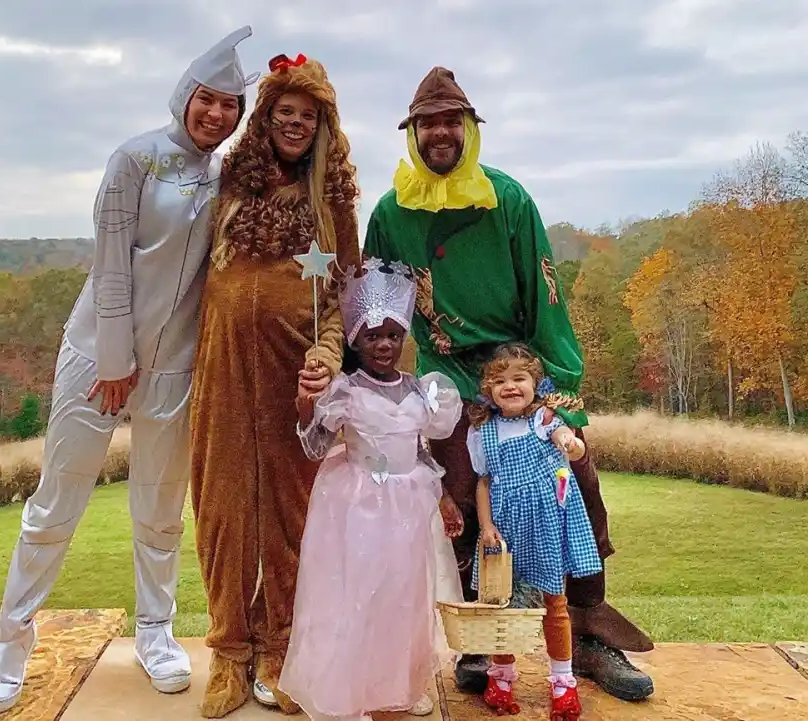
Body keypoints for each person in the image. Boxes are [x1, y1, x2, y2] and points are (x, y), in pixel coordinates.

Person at [0, 27, 258, 716]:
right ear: (184, 97)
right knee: (54, 506)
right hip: (98, 360)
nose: (216, 115)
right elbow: (111, 262)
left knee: (159, 510)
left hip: (175, 369)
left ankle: (155, 634)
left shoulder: (229, 177)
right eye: (207, 100)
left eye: (230, 106)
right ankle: (9, 645)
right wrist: (113, 361)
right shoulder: (134, 159)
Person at [362, 66, 656, 702]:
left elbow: (545, 295)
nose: (440, 132)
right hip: (447, 370)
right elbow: (377, 303)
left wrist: (554, 387)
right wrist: (363, 381)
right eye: (427, 123)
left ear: (470, 130)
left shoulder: (509, 199)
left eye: (452, 121)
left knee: (573, 478)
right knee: (460, 494)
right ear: (411, 134)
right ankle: (481, 638)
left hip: (517, 362)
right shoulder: (389, 212)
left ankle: (586, 633)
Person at [189, 54, 361, 719]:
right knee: (222, 509)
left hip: (296, 373)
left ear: (322, 126)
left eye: (307, 116)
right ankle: (230, 651)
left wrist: (326, 355)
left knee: (294, 515)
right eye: (285, 112)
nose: (294, 124)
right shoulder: (228, 180)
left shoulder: (333, 198)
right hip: (221, 367)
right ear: (266, 117)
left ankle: (281, 649)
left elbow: (342, 294)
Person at [278, 258, 463, 721]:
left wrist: (443, 496)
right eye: (372, 335)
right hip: (357, 505)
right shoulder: (344, 390)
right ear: (356, 339)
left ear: (404, 338)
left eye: (393, 335)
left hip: (408, 507)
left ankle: (399, 683)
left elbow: (419, 450)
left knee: (403, 596)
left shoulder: (422, 392)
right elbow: (316, 447)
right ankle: (350, 691)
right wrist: (306, 409)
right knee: (358, 594)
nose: (384, 345)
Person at [470, 343, 602, 719]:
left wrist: (570, 443)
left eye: (519, 378)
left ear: (535, 384)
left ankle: (562, 681)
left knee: (554, 602)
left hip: (545, 521)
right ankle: (502, 675)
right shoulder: (484, 431)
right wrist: (486, 526)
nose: (510, 387)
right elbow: (483, 482)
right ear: (488, 390)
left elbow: (567, 444)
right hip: (506, 527)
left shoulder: (544, 420)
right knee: (501, 603)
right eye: (499, 381)